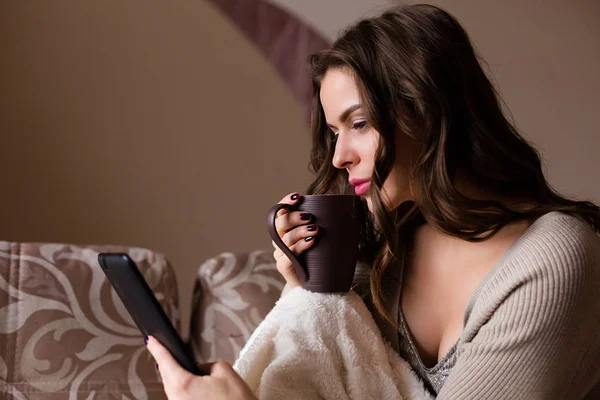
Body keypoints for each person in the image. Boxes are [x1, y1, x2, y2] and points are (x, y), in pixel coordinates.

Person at [147, 4, 600, 399]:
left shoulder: (553, 259)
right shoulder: (383, 246)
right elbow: (319, 373)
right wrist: (303, 290)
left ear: (426, 110)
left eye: (359, 123)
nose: (340, 156)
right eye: (334, 132)